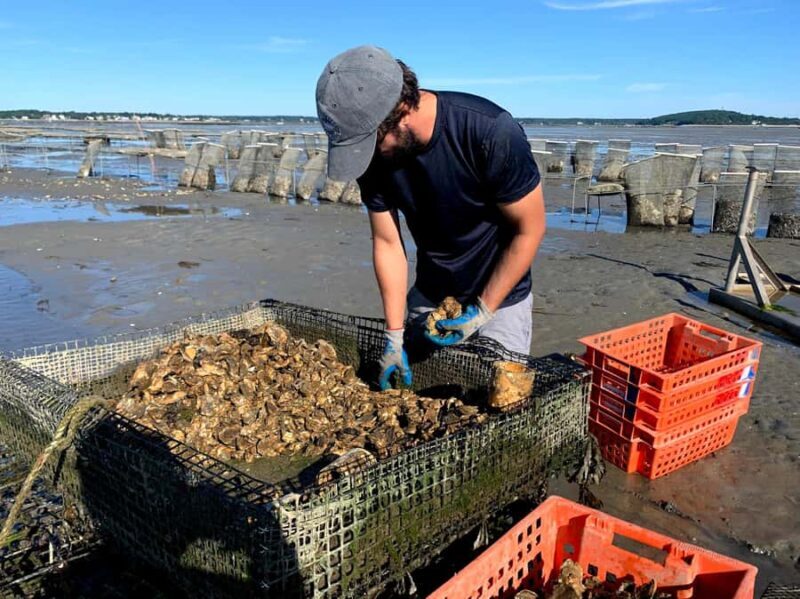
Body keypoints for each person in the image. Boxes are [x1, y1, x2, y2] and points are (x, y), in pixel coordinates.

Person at [316, 45, 545, 390]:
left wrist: (483, 310)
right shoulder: (373, 156)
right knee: (418, 397)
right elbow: (388, 242)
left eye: (371, 142)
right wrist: (393, 335)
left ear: (402, 109)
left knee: (500, 403)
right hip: (431, 294)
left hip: (502, 299)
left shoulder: (489, 131)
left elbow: (529, 230)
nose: (367, 155)